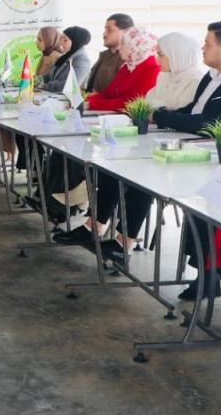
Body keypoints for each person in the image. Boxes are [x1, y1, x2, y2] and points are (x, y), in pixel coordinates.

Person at [152, 21, 221, 300]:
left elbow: (215, 124)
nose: (202, 48)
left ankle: (211, 272)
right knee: (192, 204)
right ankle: (207, 272)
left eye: (207, 43)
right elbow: (195, 111)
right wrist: (164, 116)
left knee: (203, 205)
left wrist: (163, 117)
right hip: (198, 154)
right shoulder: (211, 76)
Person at [55, 27, 160, 253]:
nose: (120, 49)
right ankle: (94, 225)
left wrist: (93, 103)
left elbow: (133, 102)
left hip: (143, 137)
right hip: (120, 131)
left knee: (135, 180)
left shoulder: (152, 68)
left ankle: (122, 240)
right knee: (106, 171)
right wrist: (91, 101)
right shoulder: (129, 66)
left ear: (137, 47)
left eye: (125, 45)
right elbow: (110, 93)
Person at [84, 26, 159, 112]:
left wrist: (90, 104)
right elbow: (108, 94)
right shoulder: (129, 65)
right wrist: (87, 100)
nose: (119, 47)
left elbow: (131, 103)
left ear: (135, 46)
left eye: (123, 44)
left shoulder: (152, 69)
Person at [85, 13, 134, 93]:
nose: (104, 34)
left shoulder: (129, 58)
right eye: (105, 30)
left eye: (109, 30)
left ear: (125, 32)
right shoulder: (105, 55)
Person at [39, 25, 92, 94]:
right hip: (55, 97)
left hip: (69, 100)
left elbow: (71, 85)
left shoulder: (82, 60)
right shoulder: (65, 56)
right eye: (61, 38)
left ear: (75, 41)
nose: (60, 43)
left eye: (65, 40)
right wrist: (33, 80)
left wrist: (42, 85)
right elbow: (48, 76)